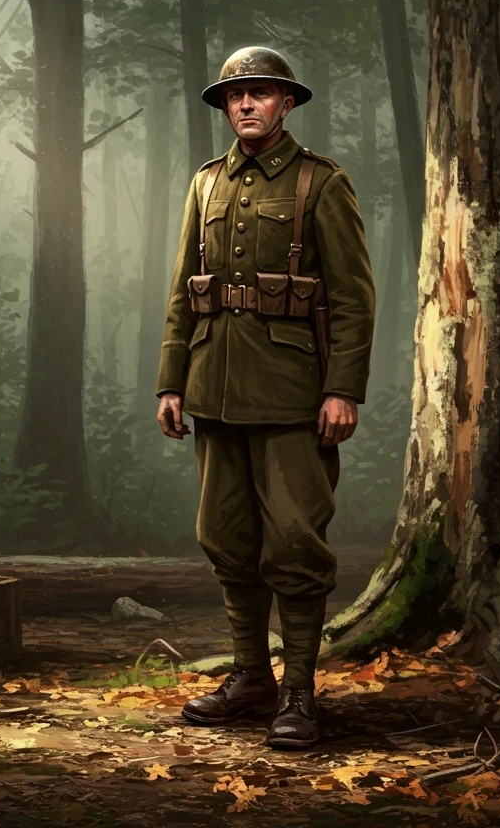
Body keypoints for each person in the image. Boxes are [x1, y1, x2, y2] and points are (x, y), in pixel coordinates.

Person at [155, 46, 375, 749]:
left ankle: (301, 693)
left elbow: (352, 298)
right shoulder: (206, 184)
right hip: (213, 388)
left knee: (294, 546)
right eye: (235, 95)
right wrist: (171, 380)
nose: (246, 104)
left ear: (286, 103)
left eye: (261, 93)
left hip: (291, 394)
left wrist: (343, 388)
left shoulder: (321, 183)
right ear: (225, 108)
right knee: (226, 540)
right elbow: (184, 287)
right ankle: (252, 677)